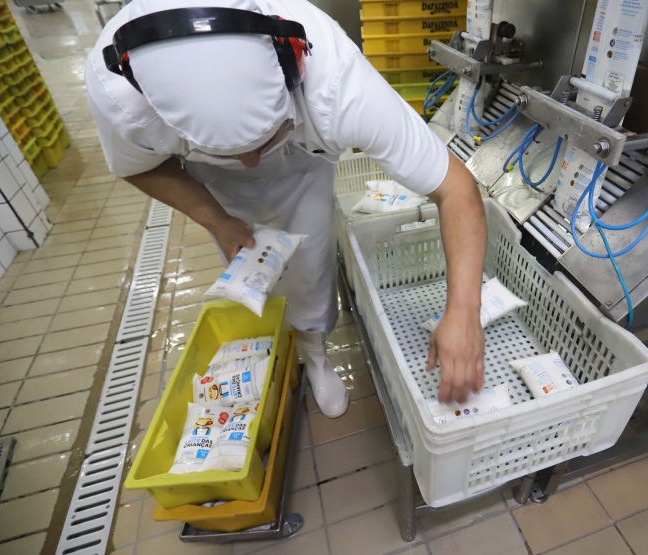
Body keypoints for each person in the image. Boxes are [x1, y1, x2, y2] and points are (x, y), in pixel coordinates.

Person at [86, 0, 487, 418]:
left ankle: (315, 353)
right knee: (247, 272)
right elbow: (137, 168)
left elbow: (457, 189)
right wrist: (215, 218)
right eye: (234, 151)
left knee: (311, 262)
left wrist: (463, 310)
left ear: (293, 66)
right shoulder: (118, 93)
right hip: (213, 184)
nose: (251, 163)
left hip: (302, 166)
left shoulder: (336, 83)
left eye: (262, 141)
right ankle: (277, 345)